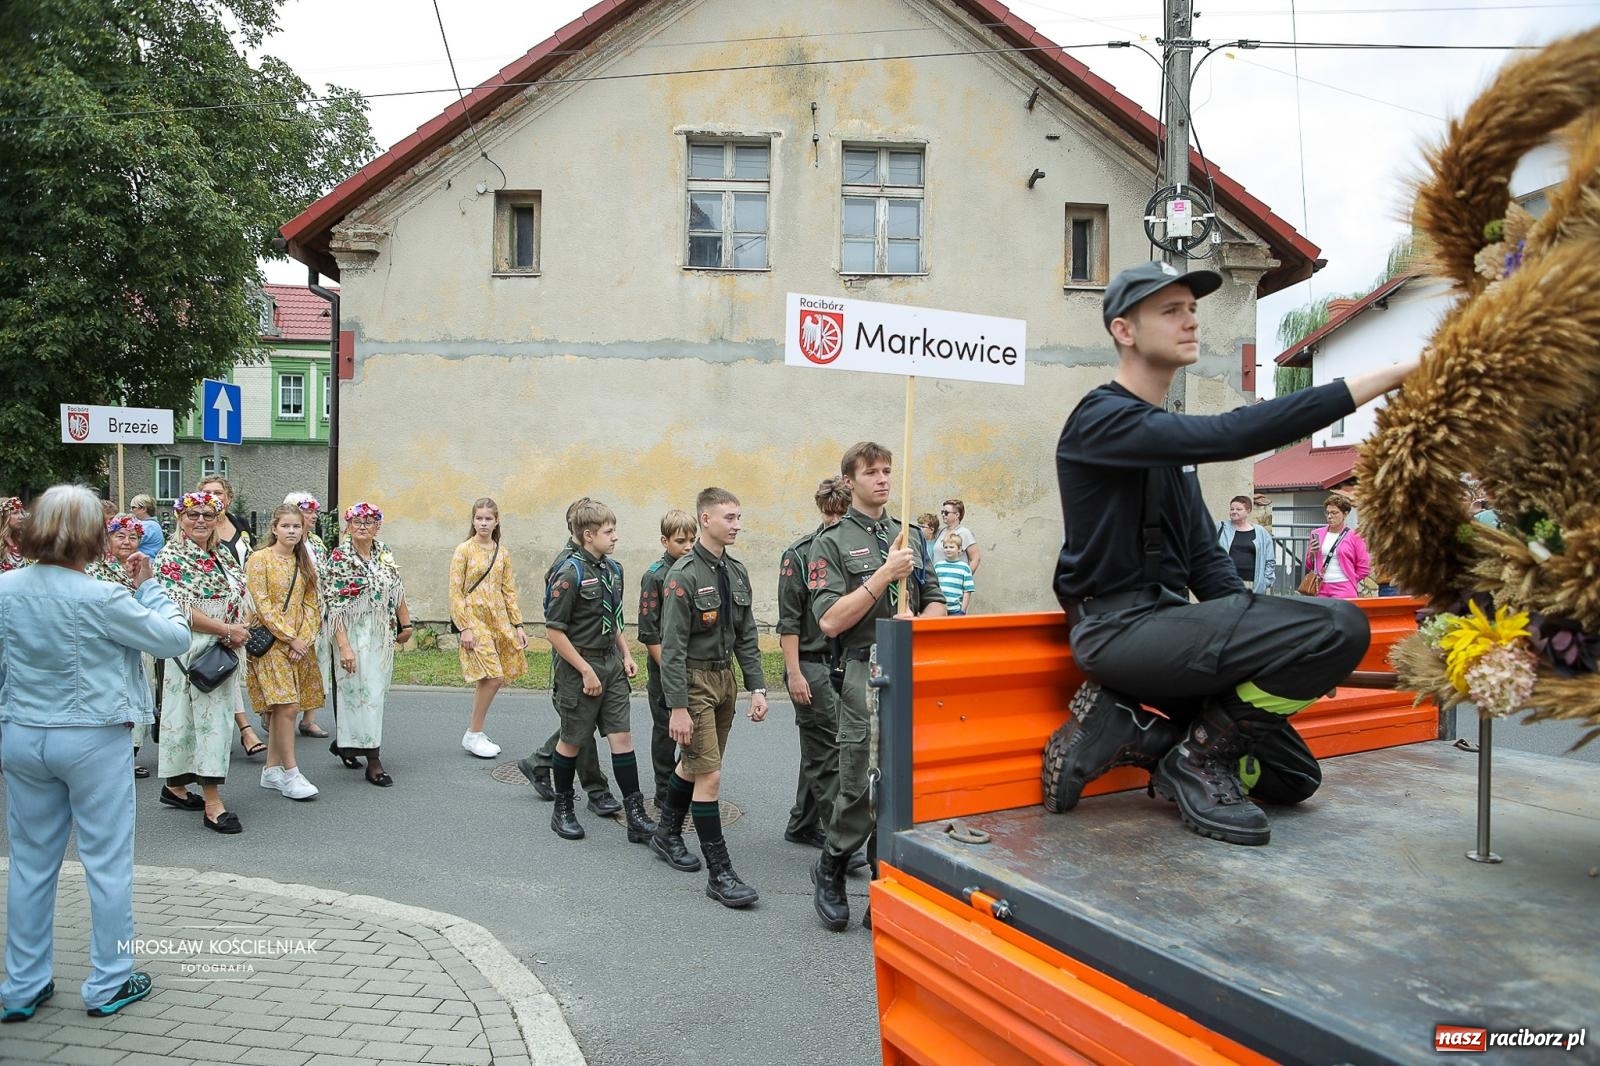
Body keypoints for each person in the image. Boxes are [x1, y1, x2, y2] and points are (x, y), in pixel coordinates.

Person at [1045, 261, 1416, 847]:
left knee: (1293, 778)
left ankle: (1131, 733)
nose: (1192, 321)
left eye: (1193, 309)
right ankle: (1194, 760)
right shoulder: (1102, 420)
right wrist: (1391, 376)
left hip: (1169, 633)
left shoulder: (1164, 440)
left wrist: (1275, 646)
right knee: (1342, 625)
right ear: (1124, 330)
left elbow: (1206, 560)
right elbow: (1233, 433)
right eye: (1171, 310)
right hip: (1117, 632)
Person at [0, 485, 189, 1022]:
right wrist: (149, 587)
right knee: (106, 860)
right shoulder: (102, 597)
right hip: (93, 733)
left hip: (23, 730)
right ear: (92, 537)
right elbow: (174, 639)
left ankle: (22, 985)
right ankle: (109, 979)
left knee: (30, 861)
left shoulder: (5, 589)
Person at [811, 444, 946, 932]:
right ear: (849, 482)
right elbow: (829, 620)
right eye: (871, 472)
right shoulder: (831, 542)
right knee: (861, 779)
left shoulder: (909, 536)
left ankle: (882, 881)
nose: (883, 479)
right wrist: (886, 574)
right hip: (862, 668)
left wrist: (919, 623)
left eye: (888, 471)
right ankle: (831, 864)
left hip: (906, 666)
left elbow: (937, 600)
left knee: (901, 782)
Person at [656, 488, 767, 907]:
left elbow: (747, 635)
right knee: (710, 776)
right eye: (729, 517)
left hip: (725, 681)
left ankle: (667, 834)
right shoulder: (683, 575)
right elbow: (672, 647)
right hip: (694, 682)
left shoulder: (735, 572)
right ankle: (720, 873)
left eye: (739, 517)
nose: (737, 525)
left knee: (696, 764)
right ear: (706, 519)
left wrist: (757, 687)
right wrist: (678, 707)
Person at [543, 499, 653, 843]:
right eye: (609, 531)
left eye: (614, 530)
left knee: (622, 737)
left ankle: (635, 814)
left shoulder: (613, 570)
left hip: (610, 664)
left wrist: (625, 654)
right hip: (579, 667)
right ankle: (563, 809)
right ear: (588, 535)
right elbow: (554, 632)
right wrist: (585, 671)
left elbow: (613, 617)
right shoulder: (569, 573)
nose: (615, 536)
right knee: (572, 740)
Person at [153, 490, 253, 833]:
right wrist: (226, 629)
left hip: (223, 646)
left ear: (217, 519)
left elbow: (240, 594)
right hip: (192, 650)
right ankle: (213, 804)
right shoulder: (171, 557)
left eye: (208, 515)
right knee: (206, 724)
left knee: (197, 721)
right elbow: (178, 608)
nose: (200, 521)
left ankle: (176, 787)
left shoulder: (220, 554)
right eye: (192, 515)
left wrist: (239, 626)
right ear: (180, 518)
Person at [517, 498, 619, 816]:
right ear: (581, 530)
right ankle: (596, 790)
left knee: (581, 726)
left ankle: (539, 762)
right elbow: (556, 623)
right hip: (574, 658)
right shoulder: (567, 565)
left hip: (601, 657)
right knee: (580, 726)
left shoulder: (602, 563)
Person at [777, 477, 851, 850]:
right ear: (820, 510)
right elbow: (789, 622)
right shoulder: (800, 554)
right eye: (828, 513)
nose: (834, 520)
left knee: (820, 746)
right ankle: (842, 842)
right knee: (830, 754)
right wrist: (794, 673)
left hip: (845, 662)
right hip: (811, 662)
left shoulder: (855, 550)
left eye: (842, 513)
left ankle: (803, 823)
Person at [322, 502, 410, 787]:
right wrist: (344, 647)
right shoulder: (339, 558)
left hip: (380, 633)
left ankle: (346, 744)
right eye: (357, 521)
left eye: (368, 521)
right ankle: (374, 760)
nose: (362, 526)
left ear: (377, 526)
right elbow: (333, 607)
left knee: (375, 693)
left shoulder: (383, 552)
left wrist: (406, 624)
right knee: (359, 694)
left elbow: (397, 590)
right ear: (348, 526)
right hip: (352, 633)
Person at [245, 505, 323, 801]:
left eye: (297, 526)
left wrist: (303, 639)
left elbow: (312, 604)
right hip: (271, 643)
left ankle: (271, 770)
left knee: (285, 708)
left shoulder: (303, 562)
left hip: (299, 645)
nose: (292, 531)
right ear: (274, 529)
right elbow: (261, 604)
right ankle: (292, 773)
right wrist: (289, 637)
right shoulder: (260, 559)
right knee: (286, 706)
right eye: (286, 526)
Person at [450, 497, 527, 759]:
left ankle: (475, 732)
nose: (483, 523)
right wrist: (464, 627)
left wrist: (517, 624)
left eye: (488, 518)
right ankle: (473, 733)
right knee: (494, 677)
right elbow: (455, 593)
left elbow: (509, 591)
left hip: (499, 620)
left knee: (489, 677)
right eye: (479, 518)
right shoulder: (464, 550)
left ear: (496, 522)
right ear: (473, 521)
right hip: (475, 620)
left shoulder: (501, 552)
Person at [194, 476, 264, 755]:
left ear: (229, 498)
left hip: (242, 604)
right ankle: (245, 729)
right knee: (223, 665)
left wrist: (249, 608)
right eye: (207, 492)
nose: (214, 497)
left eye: (218, 492)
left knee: (238, 668)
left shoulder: (239, 524)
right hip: (212, 608)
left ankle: (248, 721)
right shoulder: (200, 528)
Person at [637, 508, 697, 807]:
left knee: (693, 729)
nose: (688, 547)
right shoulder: (655, 576)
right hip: (665, 669)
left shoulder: (696, 570)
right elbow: (650, 634)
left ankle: (684, 782)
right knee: (665, 730)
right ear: (665, 541)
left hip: (693, 666)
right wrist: (672, 671)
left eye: (692, 540)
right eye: (680, 541)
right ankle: (664, 789)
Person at [89, 514, 156, 777]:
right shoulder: (95, 568)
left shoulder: (140, 566)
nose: (127, 542)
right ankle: (108, 756)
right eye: (120, 536)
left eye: (133, 537)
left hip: (135, 643)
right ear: (107, 539)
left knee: (135, 695)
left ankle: (130, 754)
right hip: (107, 647)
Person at [283, 492, 330, 738]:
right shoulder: (283, 544)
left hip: (316, 611)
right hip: (291, 614)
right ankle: (276, 716)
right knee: (287, 663)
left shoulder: (317, 543)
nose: (313, 515)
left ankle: (309, 718)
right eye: (307, 510)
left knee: (317, 664)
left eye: (315, 511)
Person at [1308, 494, 1371, 601]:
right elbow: (1309, 565)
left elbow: (1364, 567)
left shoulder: (1355, 536)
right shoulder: (1317, 533)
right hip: (1320, 587)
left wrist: (1350, 580)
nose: (1329, 516)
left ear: (1345, 514)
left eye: (1334, 513)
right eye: (1327, 513)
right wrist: (1312, 554)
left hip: (1344, 588)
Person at [1217, 494, 1276, 595]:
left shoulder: (1261, 532)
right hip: (1226, 583)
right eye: (1232, 509)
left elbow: (1270, 561)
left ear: (1248, 511)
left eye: (1239, 509)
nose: (1234, 512)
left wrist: (1265, 582)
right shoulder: (1220, 528)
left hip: (1252, 585)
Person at [934, 532, 976, 616]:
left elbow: (967, 591)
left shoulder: (965, 568)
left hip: (956, 610)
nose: (948, 549)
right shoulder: (937, 566)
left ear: (959, 549)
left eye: (951, 547)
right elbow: (933, 587)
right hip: (939, 609)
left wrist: (963, 610)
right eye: (945, 547)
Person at [939, 498, 981, 574]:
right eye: (942, 512)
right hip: (938, 578)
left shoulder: (964, 533)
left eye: (946, 513)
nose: (943, 515)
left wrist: (965, 577)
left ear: (957, 515)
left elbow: (975, 558)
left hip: (955, 579)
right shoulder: (942, 531)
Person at [129, 494, 165, 558]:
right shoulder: (153, 524)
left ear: (143, 509)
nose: (131, 510)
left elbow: (130, 543)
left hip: (145, 561)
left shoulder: (149, 526)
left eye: (133, 507)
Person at [1, 497, 30, 574]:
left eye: (21, 513)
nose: (21, 517)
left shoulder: (24, 541)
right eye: (15, 513)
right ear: (3, 517)